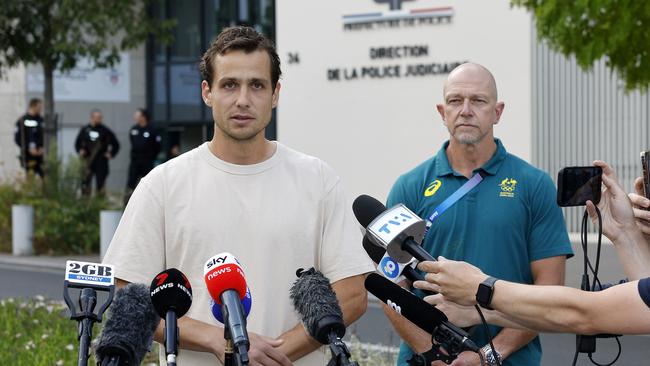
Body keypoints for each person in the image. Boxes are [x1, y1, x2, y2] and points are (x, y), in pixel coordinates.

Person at [102, 26, 373, 366]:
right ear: (207, 92)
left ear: (275, 94)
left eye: (256, 85)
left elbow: (352, 294)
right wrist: (221, 340)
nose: (243, 99)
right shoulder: (163, 184)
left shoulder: (317, 179)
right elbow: (129, 297)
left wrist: (277, 351)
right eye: (229, 85)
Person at [384, 63, 573, 366]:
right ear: (442, 111)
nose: (466, 110)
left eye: (479, 101)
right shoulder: (409, 187)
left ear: (497, 112)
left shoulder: (534, 185)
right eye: (456, 101)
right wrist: (433, 353)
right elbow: (391, 290)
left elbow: (549, 292)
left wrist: (488, 355)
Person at [414, 161, 650, 335]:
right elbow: (639, 303)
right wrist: (624, 232)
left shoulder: (533, 182)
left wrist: (481, 287)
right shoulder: (414, 181)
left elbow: (584, 313)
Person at [74, 109, 120, 196]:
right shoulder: (85, 130)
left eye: (100, 117)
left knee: (100, 184)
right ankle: (85, 204)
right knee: (85, 183)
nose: (99, 119)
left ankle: (100, 204)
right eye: (97, 117)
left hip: (101, 161)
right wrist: (80, 150)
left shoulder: (105, 131)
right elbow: (77, 143)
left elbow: (116, 145)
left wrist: (111, 154)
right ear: (91, 118)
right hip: (87, 160)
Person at [124, 108, 161, 205]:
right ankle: (127, 204)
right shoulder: (134, 129)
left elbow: (157, 147)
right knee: (131, 183)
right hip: (135, 161)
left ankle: (148, 203)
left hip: (147, 161)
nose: (135, 118)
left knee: (148, 182)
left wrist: (151, 156)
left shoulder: (152, 130)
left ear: (143, 117)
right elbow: (132, 142)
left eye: (138, 116)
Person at [14, 98, 44, 177]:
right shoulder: (22, 120)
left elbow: (43, 135)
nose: (41, 109)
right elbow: (18, 138)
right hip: (28, 155)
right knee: (30, 175)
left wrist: (41, 147)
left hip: (40, 155)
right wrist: (28, 148)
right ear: (33, 106)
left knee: (43, 175)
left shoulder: (41, 120)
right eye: (39, 107)